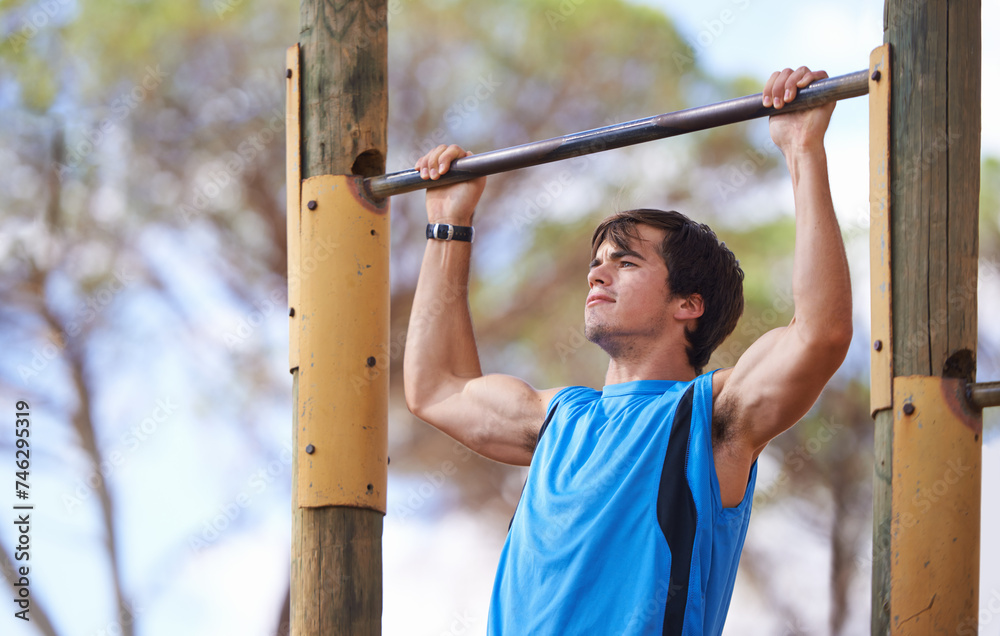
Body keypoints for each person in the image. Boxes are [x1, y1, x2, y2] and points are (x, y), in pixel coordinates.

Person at [403, 66, 852, 635]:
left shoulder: (710, 419)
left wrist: (801, 149)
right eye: (596, 263)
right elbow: (435, 386)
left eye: (626, 262)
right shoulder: (558, 420)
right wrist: (448, 223)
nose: (597, 274)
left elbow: (820, 332)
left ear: (688, 304)